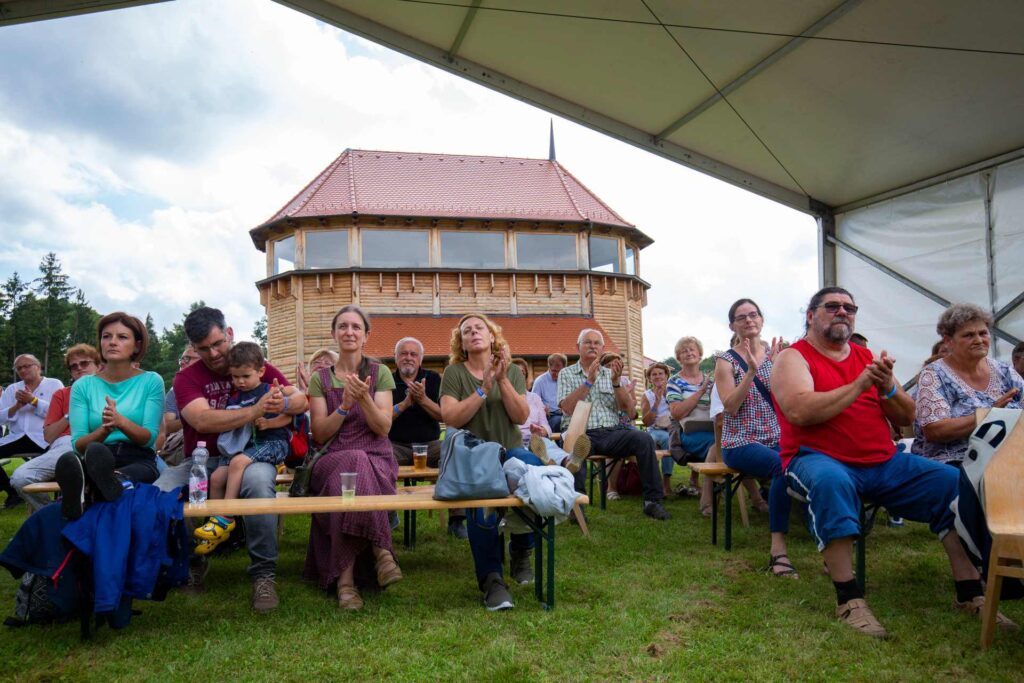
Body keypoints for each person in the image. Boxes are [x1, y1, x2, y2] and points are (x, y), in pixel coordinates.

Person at [772, 287, 1015, 637]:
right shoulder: (793, 358)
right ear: (810, 316)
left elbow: (908, 416)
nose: (843, 312)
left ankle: (969, 593)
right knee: (831, 483)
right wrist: (860, 385)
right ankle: (849, 599)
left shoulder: (866, 357)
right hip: (816, 458)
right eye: (833, 306)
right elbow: (800, 410)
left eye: (850, 307)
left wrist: (887, 387)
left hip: (882, 461)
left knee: (952, 483)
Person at [154, 306, 306, 613]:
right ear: (193, 348)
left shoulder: (253, 362)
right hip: (202, 458)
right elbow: (203, 421)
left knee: (260, 484)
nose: (212, 353)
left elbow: (301, 400)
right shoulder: (186, 378)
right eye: (203, 348)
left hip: (249, 455)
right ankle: (192, 562)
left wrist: (284, 402)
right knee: (161, 491)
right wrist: (254, 411)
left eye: (217, 343)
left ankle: (263, 574)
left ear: (229, 334)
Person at [440, 313, 552, 610]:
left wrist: (501, 380)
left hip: (510, 451)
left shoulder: (512, 371)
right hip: (474, 458)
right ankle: (492, 580)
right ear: (462, 342)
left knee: (532, 471)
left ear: (492, 337)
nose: (474, 332)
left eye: (480, 328)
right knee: (482, 503)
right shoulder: (454, 374)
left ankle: (520, 549)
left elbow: (521, 416)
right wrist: (482, 389)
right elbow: (451, 418)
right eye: (467, 331)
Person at [304, 305, 400, 611]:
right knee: (351, 462)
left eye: (356, 327)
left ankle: (346, 584)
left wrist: (364, 400)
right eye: (343, 326)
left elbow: (383, 427)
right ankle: (381, 552)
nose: (349, 332)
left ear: (366, 335)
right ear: (334, 334)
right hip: (332, 456)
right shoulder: (320, 378)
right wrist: (344, 406)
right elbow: (319, 434)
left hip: (377, 457)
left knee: (355, 468)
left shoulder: (380, 373)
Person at [55, 312, 165, 522]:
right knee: (92, 453)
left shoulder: (151, 381)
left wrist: (120, 422)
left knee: (139, 470)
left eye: (122, 337)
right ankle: (96, 483)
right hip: (95, 455)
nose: (112, 342)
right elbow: (78, 444)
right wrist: (105, 429)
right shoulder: (83, 386)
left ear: (136, 345)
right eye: (106, 336)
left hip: (138, 456)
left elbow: (148, 438)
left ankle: (92, 489)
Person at [714, 299, 794, 578]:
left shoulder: (777, 357)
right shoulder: (726, 361)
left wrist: (779, 365)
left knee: (818, 458)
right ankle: (778, 549)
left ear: (762, 320)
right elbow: (730, 406)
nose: (749, 320)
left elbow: (787, 399)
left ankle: (826, 533)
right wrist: (750, 371)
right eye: (741, 317)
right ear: (732, 325)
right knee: (781, 467)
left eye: (753, 315)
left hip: (776, 437)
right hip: (740, 442)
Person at [194, 342, 297, 555]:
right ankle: (216, 521)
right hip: (248, 447)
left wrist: (270, 423)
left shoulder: (269, 390)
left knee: (238, 462)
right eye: (235, 377)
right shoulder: (235, 397)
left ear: (261, 371)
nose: (240, 381)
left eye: (245, 376)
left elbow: (289, 416)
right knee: (216, 478)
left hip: (272, 444)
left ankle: (226, 518)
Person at [559, 329, 670, 520]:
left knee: (644, 438)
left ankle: (652, 501)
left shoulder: (610, 374)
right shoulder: (566, 373)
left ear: (602, 348)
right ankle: (576, 507)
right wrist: (589, 382)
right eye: (588, 342)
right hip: (582, 431)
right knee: (578, 447)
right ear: (577, 347)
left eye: (597, 343)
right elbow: (567, 408)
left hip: (611, 432)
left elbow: (629, 411)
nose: (593, 346)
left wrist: (617, 383)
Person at [914, 303, 1023, 467]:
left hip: (1009, 457)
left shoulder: (1004, 371)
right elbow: (935, 430)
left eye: (983, 333)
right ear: (948, 341)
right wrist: (990, 415)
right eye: (968, 335)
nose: (979, 340)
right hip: (956, 462)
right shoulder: (934, 374)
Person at [388, 336, 467, 539]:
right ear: (396, 358)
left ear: (420, 359)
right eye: (403, 353)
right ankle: (387, 513)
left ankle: (457, 519)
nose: (408, 358)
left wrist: (422, 399)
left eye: (413, 354)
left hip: (429, 444)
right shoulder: (386, 380)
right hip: (395, 444)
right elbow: (381, 418)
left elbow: (444, 415)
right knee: (379, 456)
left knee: (453, 451)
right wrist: (405, 403)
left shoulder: (432, 379)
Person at [10, 344, 100, 512]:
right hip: (66, 444)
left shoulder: (110, 390)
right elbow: (49, 436)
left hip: (102, 443)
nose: (79, 368)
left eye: (85, 363)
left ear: (99, 365)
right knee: (20, 477)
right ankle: (54, 514)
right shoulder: (62, 394)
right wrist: (70, 414)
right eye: (74, 366)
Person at [0, 354, 64, 508]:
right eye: (19, 368)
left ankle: (59, 498)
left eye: (26, 366)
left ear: (38, 366)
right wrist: (16, 407)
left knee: (63, 458)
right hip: (17, 437)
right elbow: (1, 418)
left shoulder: (54, 384)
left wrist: (33, 401)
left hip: (45, 437)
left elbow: (61, 413)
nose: (22, 370)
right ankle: (12, 491)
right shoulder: (12, 389)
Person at [512, 357, 589, 474]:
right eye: (514, 373)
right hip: (517, 441)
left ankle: (568, 461)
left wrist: (542, 430)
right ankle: (553, 464)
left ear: (526, 376)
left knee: (547, 445)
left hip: (536, 439)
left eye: (522, 373)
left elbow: (545, 425)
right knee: (538, 448)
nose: (518, 376)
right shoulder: (502, 399)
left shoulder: (534, 398)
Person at [665, 337, 715, 505]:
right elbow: (677, 413)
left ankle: (758, 493)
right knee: (718, 446)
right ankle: (710, 496)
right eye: (683, 351)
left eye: (692, 349)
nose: (688, 353)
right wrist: (700, 392)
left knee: (727, 443)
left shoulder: (713, 382)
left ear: (700, 354)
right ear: (678, 359)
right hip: (687, 433)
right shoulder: (674, 381)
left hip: (713, 429)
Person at [160, 345, 200, 468]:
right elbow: (168, 426)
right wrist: (194, 418)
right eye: (181, 359)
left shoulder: (215, 387)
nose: (182, 362)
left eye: (188, 358)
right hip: (180, 443)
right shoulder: (173, 392)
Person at [641, 362, 674, 495]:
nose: (658, 376)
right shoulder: (647, 395)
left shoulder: (673, 391)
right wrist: (656, 402)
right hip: (655, 429)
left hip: (672, 429)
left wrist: (666, 397)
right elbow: (646, 422)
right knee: (662, 439)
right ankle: (659, 482)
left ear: (667, 376)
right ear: (649, 378)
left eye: (661, 373)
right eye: (654, 374)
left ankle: (666, 483)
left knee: (669, 438)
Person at [531, 353, 566, 432]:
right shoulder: (540, 381)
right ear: (549, 367)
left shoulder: (567, 379)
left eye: (559, 371)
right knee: (560, 422)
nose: (556, 374)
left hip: (566, 414)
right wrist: (543, 408)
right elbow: (533, 402)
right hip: (550, 416)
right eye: (554, 371)